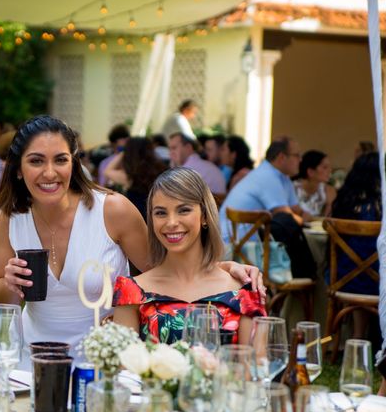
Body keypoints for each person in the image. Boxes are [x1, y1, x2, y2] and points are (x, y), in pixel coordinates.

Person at [0, 115, 265, 367]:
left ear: (73, 164)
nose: (50, 172)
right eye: (36, 161)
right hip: (31, 358)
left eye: (60, 160)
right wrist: (11, 285)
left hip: (102, 362)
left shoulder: (112, 210)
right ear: (17, 169)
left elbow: (166, 266)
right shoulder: (10, 217)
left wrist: (224, 269)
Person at [113, 168, 266, 344]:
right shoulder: (132, 291)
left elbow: (255, 366)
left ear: (205, 216)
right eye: (161, 213)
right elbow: (123, 369)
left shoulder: (244, 290)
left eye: (183, 210)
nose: (171, 223)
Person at [219, 136, 316, 278]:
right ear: (282, 157)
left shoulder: (282, 177)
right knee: (305, 260)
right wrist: (303, 218)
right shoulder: (267, 176)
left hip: (251, 245)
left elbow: (296, 210)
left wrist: (301, 216)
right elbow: (287, 216)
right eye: (296, 155)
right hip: (235, 248)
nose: (300, 160)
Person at [330, 152, 381, 343]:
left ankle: (356, 335)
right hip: (375, 282)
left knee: (360, 270)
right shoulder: (379, 209)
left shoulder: (345, 203)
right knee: (371, 273)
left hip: (342, 280)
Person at [103, 136, 167, 220]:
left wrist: (123, 153)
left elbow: (107, 171)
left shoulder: (130, 176)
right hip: (160, 216)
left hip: (139, 220)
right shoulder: (162, 170)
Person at [293, 150, 336, 217]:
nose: (329, 170)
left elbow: (327, 219)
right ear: (310, 172)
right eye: (325, 167)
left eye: (329, 167)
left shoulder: (328, 191)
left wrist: (329, 204)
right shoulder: (292, 189)